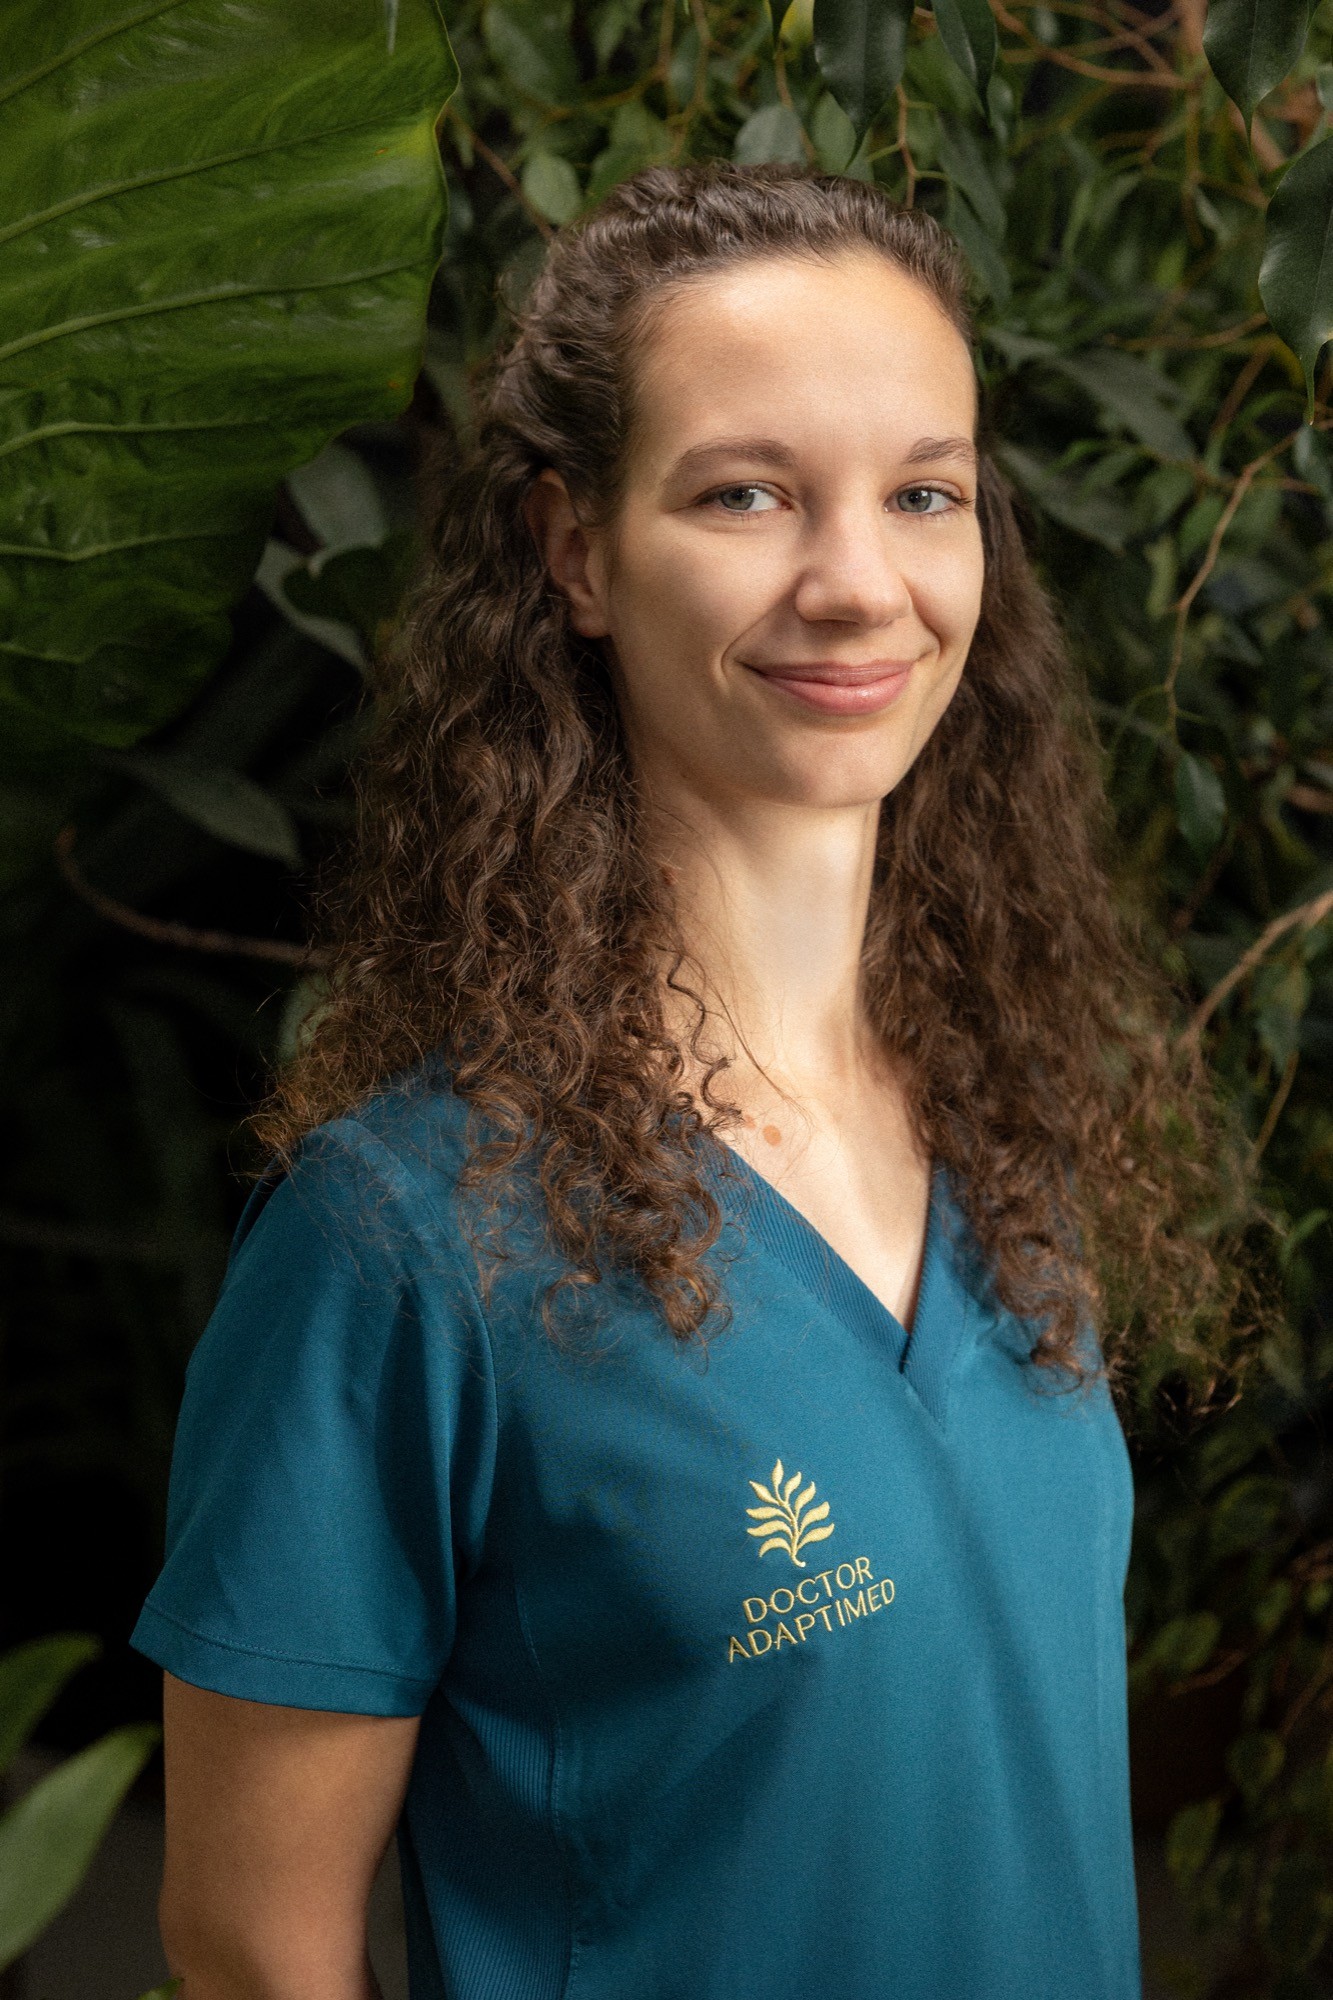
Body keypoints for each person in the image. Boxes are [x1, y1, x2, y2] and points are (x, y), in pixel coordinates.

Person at [132, 162, 1248, 2000]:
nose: (857, 582)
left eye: (923, 494)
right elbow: (251, 1945)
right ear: (575, 553)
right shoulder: (406, 1237)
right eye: (746, 494)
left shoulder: (1009, 1130)